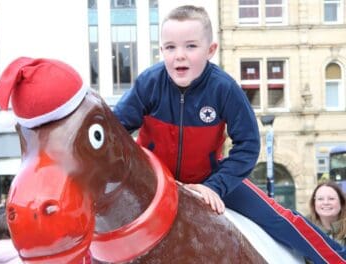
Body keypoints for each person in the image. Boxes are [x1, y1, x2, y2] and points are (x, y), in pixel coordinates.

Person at [113, 5, 346, 263]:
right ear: (161, 50)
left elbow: (247, 144)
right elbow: (115, 132)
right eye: (170, 47)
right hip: (156, 179)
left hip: (209, 178)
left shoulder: (224, 88)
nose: (180, 55)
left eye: (191, 46)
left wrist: (215, 185)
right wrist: (136, 174)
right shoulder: (149, 83)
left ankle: (340, 257)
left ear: (210, 50)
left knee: (280, 219)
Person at [308, 181, 346, 245]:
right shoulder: (305, 228)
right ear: (314, 203)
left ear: (341, 202)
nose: (326, 202)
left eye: (331, 199)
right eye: (320, 199)